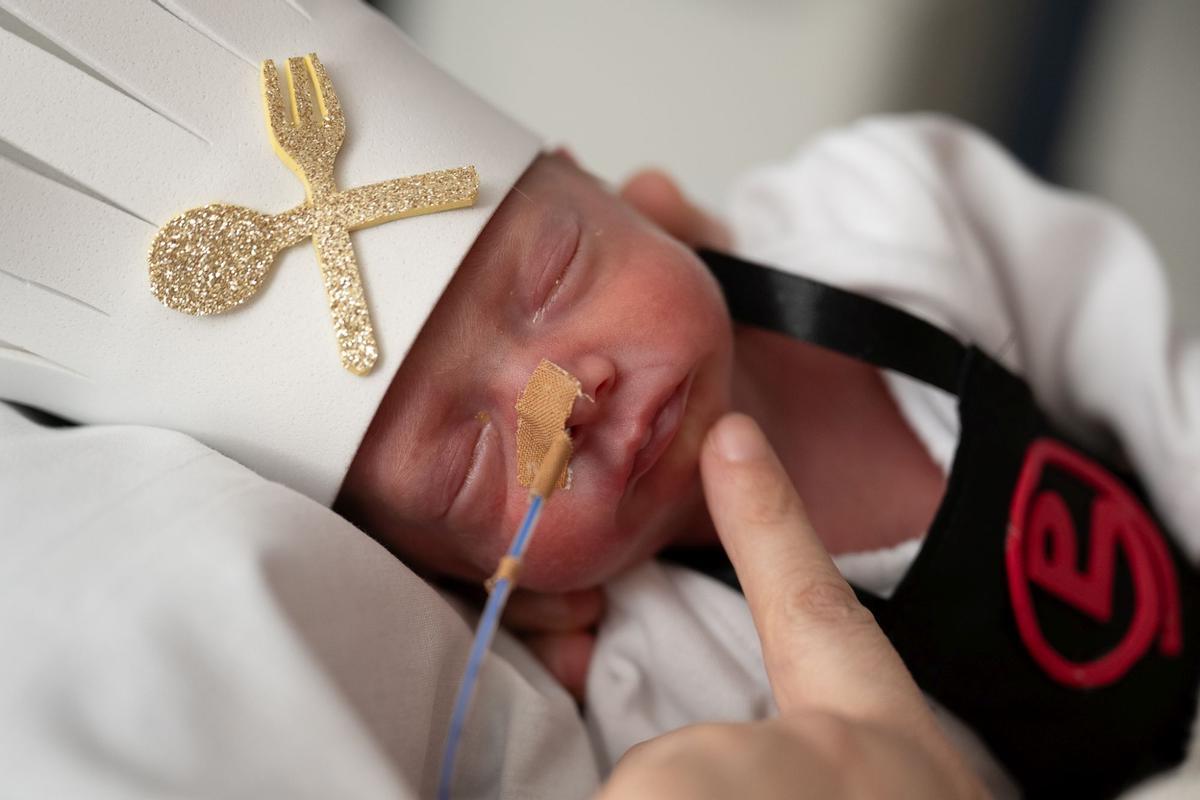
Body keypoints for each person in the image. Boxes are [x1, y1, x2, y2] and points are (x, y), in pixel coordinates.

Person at [2, 2, 1198, 798]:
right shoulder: (642, 678)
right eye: (474, 460)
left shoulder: (888, 219)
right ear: (463, 572)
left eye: (557, 274)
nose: (562, 395)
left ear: (622, 189)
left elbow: (1146, 351)